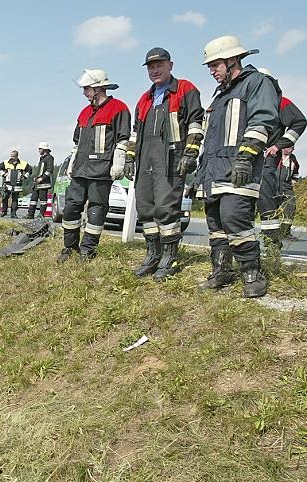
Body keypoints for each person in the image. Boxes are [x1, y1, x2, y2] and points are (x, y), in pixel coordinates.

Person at [196, 35, 279, 298]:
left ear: (232, 60)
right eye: (209, 66)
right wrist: (199, 174)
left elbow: (262, 121)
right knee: (216, 224)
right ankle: (222, 270)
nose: (212, 71)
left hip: (238, 168)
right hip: (213, 170)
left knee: (236, 220)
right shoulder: (220, 95)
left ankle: (252, 274)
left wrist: (245, 158)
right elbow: (211, 138)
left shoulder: (256, 83)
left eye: (215, 65)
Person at [125, 48, 205, 281]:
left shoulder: (185, 89)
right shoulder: (144, 98)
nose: (155, 70)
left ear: (171, 65)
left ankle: (170, 257)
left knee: (166, 209)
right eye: (151, 67)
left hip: (171, 159)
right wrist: (130, 157)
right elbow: (135, 132)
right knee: (146, 209)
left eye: (159, 65)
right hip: (145, 159)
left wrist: (190, 153)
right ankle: (153, 255)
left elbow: (195, 123)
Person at [59, 69, 131, 262]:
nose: (84, 93)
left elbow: (123, 139)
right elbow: (76, 142)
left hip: (101, 170)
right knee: (71, 207)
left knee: (96, 209)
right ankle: (70, 247)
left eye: (87, 89)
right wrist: (72, 162)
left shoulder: (119, 108)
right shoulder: (84, 113)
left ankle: (88, 250)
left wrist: (118, 163)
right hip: (80, 169)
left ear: (98, 88)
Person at [255, 68, 306, 247]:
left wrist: (278, 145)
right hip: (245, 158)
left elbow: (300, 121)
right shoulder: (248, 101)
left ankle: (272, 243)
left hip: (267, 161)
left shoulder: (281, 103)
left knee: (266, 198)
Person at [0, 149, 29, 218]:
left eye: (13, 156)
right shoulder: (6, 163)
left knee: (15, 200)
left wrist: (24, 177)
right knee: (5, 198)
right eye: (11, 156)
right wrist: (3, 174)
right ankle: (4, 211)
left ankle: (13, 213)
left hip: (17, 185)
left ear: (17, 156)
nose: (11, 157)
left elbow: (29, 170)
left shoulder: (23, 163)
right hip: (7, 184)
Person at [28, 142, 54, 218]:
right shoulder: (42, 158)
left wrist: (42, 178)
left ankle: (41, 215)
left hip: (44, 183)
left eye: (40, 149)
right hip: (37, 183)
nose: (38, 150)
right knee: (33, 199)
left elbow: (50, 170)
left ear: (44, 149)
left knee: (43, 200)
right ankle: (30, 214)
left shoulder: (49, 158)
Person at [280, 146, 300, 239]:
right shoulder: (275, 156)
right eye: (289, 147)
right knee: (270, 207)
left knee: (290, 207)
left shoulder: (293, 158)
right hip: (273, 186)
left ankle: (285, 232)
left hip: (287, 187)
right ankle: (270, 233)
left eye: (292, 148)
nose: (291, 150)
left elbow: (296, 172)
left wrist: (294, 181)